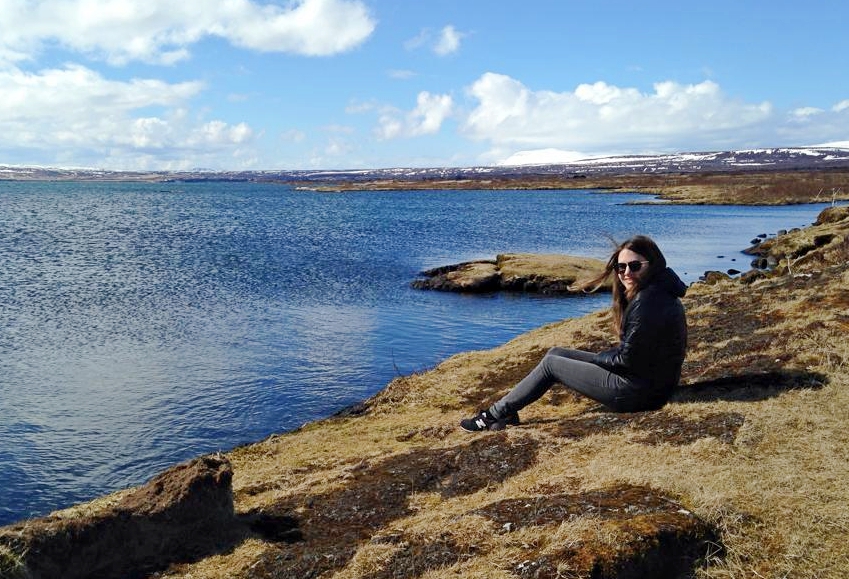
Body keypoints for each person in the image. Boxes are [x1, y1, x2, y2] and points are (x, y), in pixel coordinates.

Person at [460, 235, 687, 432]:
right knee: (555, 353)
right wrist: (602, 359)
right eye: (621, 267)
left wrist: (599, 359)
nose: (626, 273)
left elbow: (627, 360)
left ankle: (492, 415)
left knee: (552, 366)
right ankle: (505, 411)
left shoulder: (647, 301)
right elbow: (638, 354)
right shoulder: (658, 292)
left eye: (635, 266)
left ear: (653, 264)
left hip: (637, 393)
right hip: (652, 384)